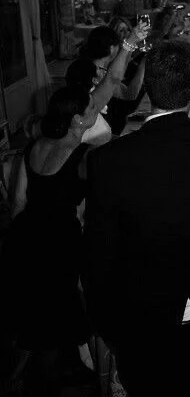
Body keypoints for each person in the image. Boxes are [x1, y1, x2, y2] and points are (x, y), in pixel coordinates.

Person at [82, 42, 190, 397]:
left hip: (141, 319)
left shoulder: (107, 160)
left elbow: (98, 255)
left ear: (147, 89)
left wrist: (109, 328)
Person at [0, 86, 99, 395]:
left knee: (36, 313)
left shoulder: (33, 146)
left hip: (26, 237)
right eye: (91, 108)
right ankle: (49, 381)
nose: (95, 112)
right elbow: (91, 210)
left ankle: (27, 376)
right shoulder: (84, 155)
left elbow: (18, 203)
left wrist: (23, 243)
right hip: (61, 242)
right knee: (55, 318)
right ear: (78, 119)